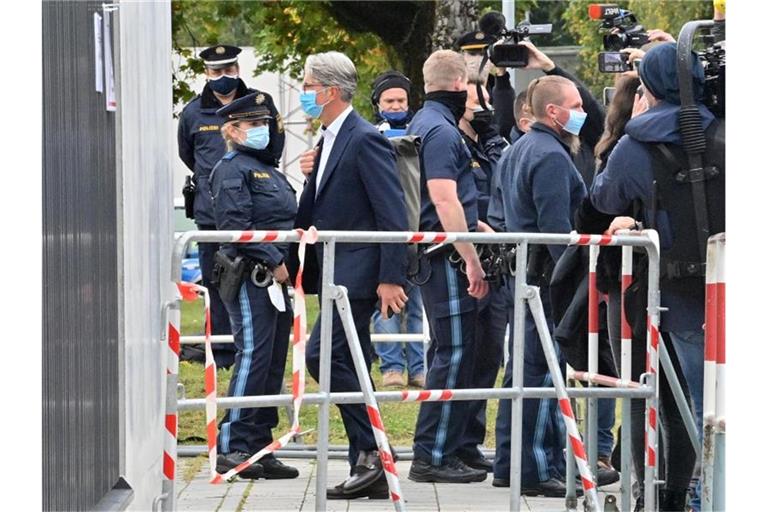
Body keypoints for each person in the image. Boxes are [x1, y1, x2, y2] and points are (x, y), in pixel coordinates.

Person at [591, 42, 723, 511]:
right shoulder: (727, 131)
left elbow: (604, 197)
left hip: (678, 294)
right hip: (724, 282)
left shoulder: (635, 143)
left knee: (694, 404)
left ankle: (701, 495)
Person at [293, 51, 409, 501]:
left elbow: (391, 210)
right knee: (350, 361)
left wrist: (391, 276)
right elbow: (323, 205)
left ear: (331, 90)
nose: (304, 93)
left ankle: (373, 453)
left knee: (323, 355)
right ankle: (369, 458)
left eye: (308, 85)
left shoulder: (363, 138)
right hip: (336, 272)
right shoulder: (329, 137)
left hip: (360, 274)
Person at [492, 75, 588, 497]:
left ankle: (515, 462)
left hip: (527, 275)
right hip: (547, 280)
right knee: (539, 371)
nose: (582, 112)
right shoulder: (550, 155)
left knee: (526, 370)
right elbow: (556, 231)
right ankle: (532, 467)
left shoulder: (521, 148)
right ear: (554, 111)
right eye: (576, 105)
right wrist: (575, 282)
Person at [406, 49, 489, 485]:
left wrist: (479, 228)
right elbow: (443, 198)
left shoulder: (425, 122)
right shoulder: (441, 131)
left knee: (450, 351)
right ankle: (432, 454)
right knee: (453, 353)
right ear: (461, 84)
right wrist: (471, 258)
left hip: (438, 251)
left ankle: (450, 447)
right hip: (446, 256)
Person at [177, 44, 285, 369]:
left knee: (256, 282)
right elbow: (187, 154)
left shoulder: (258, 103)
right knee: (218, 281)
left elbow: (274, 146)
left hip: (254, 214)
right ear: (206, 74)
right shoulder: (193, 112)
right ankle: (223, 351)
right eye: (215, 71)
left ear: (237, 68)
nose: (223, 77)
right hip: (212, 217)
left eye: (228, 69)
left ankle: (250, 346)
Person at [208, 93, 298, 480]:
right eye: (253, 124)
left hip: (277, 277)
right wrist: (275, 260)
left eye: (264, 123)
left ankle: (260, 443)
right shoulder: (232, 169)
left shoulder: (269, 169)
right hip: (252, 274)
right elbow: (234, 227)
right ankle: (233, 443)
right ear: (233, 130)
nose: (261, 130)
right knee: (253, 355)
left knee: (273, 359)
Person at [453, 76, 509, 472]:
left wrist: (493, 139)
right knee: (466, 355)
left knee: (489, 355)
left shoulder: (491, 143)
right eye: (478, 100)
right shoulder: (452, 144)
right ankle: (452, 443)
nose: (485, 106)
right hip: (467, 257)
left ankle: (470, 442)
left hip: (498, 260)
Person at [368, 70, 426, 389]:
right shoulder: (370, 134)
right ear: (378, 104)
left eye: (401, 100)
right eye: (389, 101)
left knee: (415, 305)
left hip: (417, 230)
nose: (395, 105)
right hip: (385, 231)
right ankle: (392, 367)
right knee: (385, 307)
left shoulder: (423, 132)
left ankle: (418, 367)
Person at [455, 30, 517, 143]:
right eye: (472, 54)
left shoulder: (499, 86)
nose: (477, 60)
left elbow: (505, 126)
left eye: (484, 54)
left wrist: (501, 73)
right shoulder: (456, 88)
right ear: (462, 57)